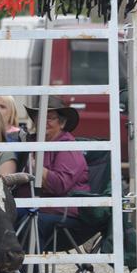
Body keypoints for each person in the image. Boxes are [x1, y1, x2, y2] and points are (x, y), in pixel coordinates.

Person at [16, 96, 90, 248]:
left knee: (30, 222)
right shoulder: (28, 142)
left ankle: (24, 271)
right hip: (30, 208)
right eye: (39, 117)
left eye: (50, 118)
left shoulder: (68, 147)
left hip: (62, 215)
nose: (44, 121)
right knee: (1, 218)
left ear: (62, 123)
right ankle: (5, 271)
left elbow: (59, 185)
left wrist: (35, 166)